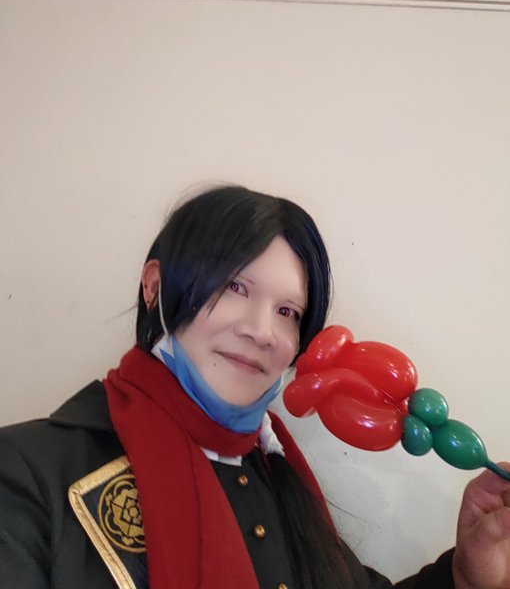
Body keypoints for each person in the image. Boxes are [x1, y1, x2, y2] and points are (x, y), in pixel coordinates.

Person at [1, 184, 509, 589]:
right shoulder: (27, 472)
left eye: (288, 311)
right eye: (235, 287)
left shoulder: (277, 473)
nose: (262, 331)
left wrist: (465, 574)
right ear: (156, 287)